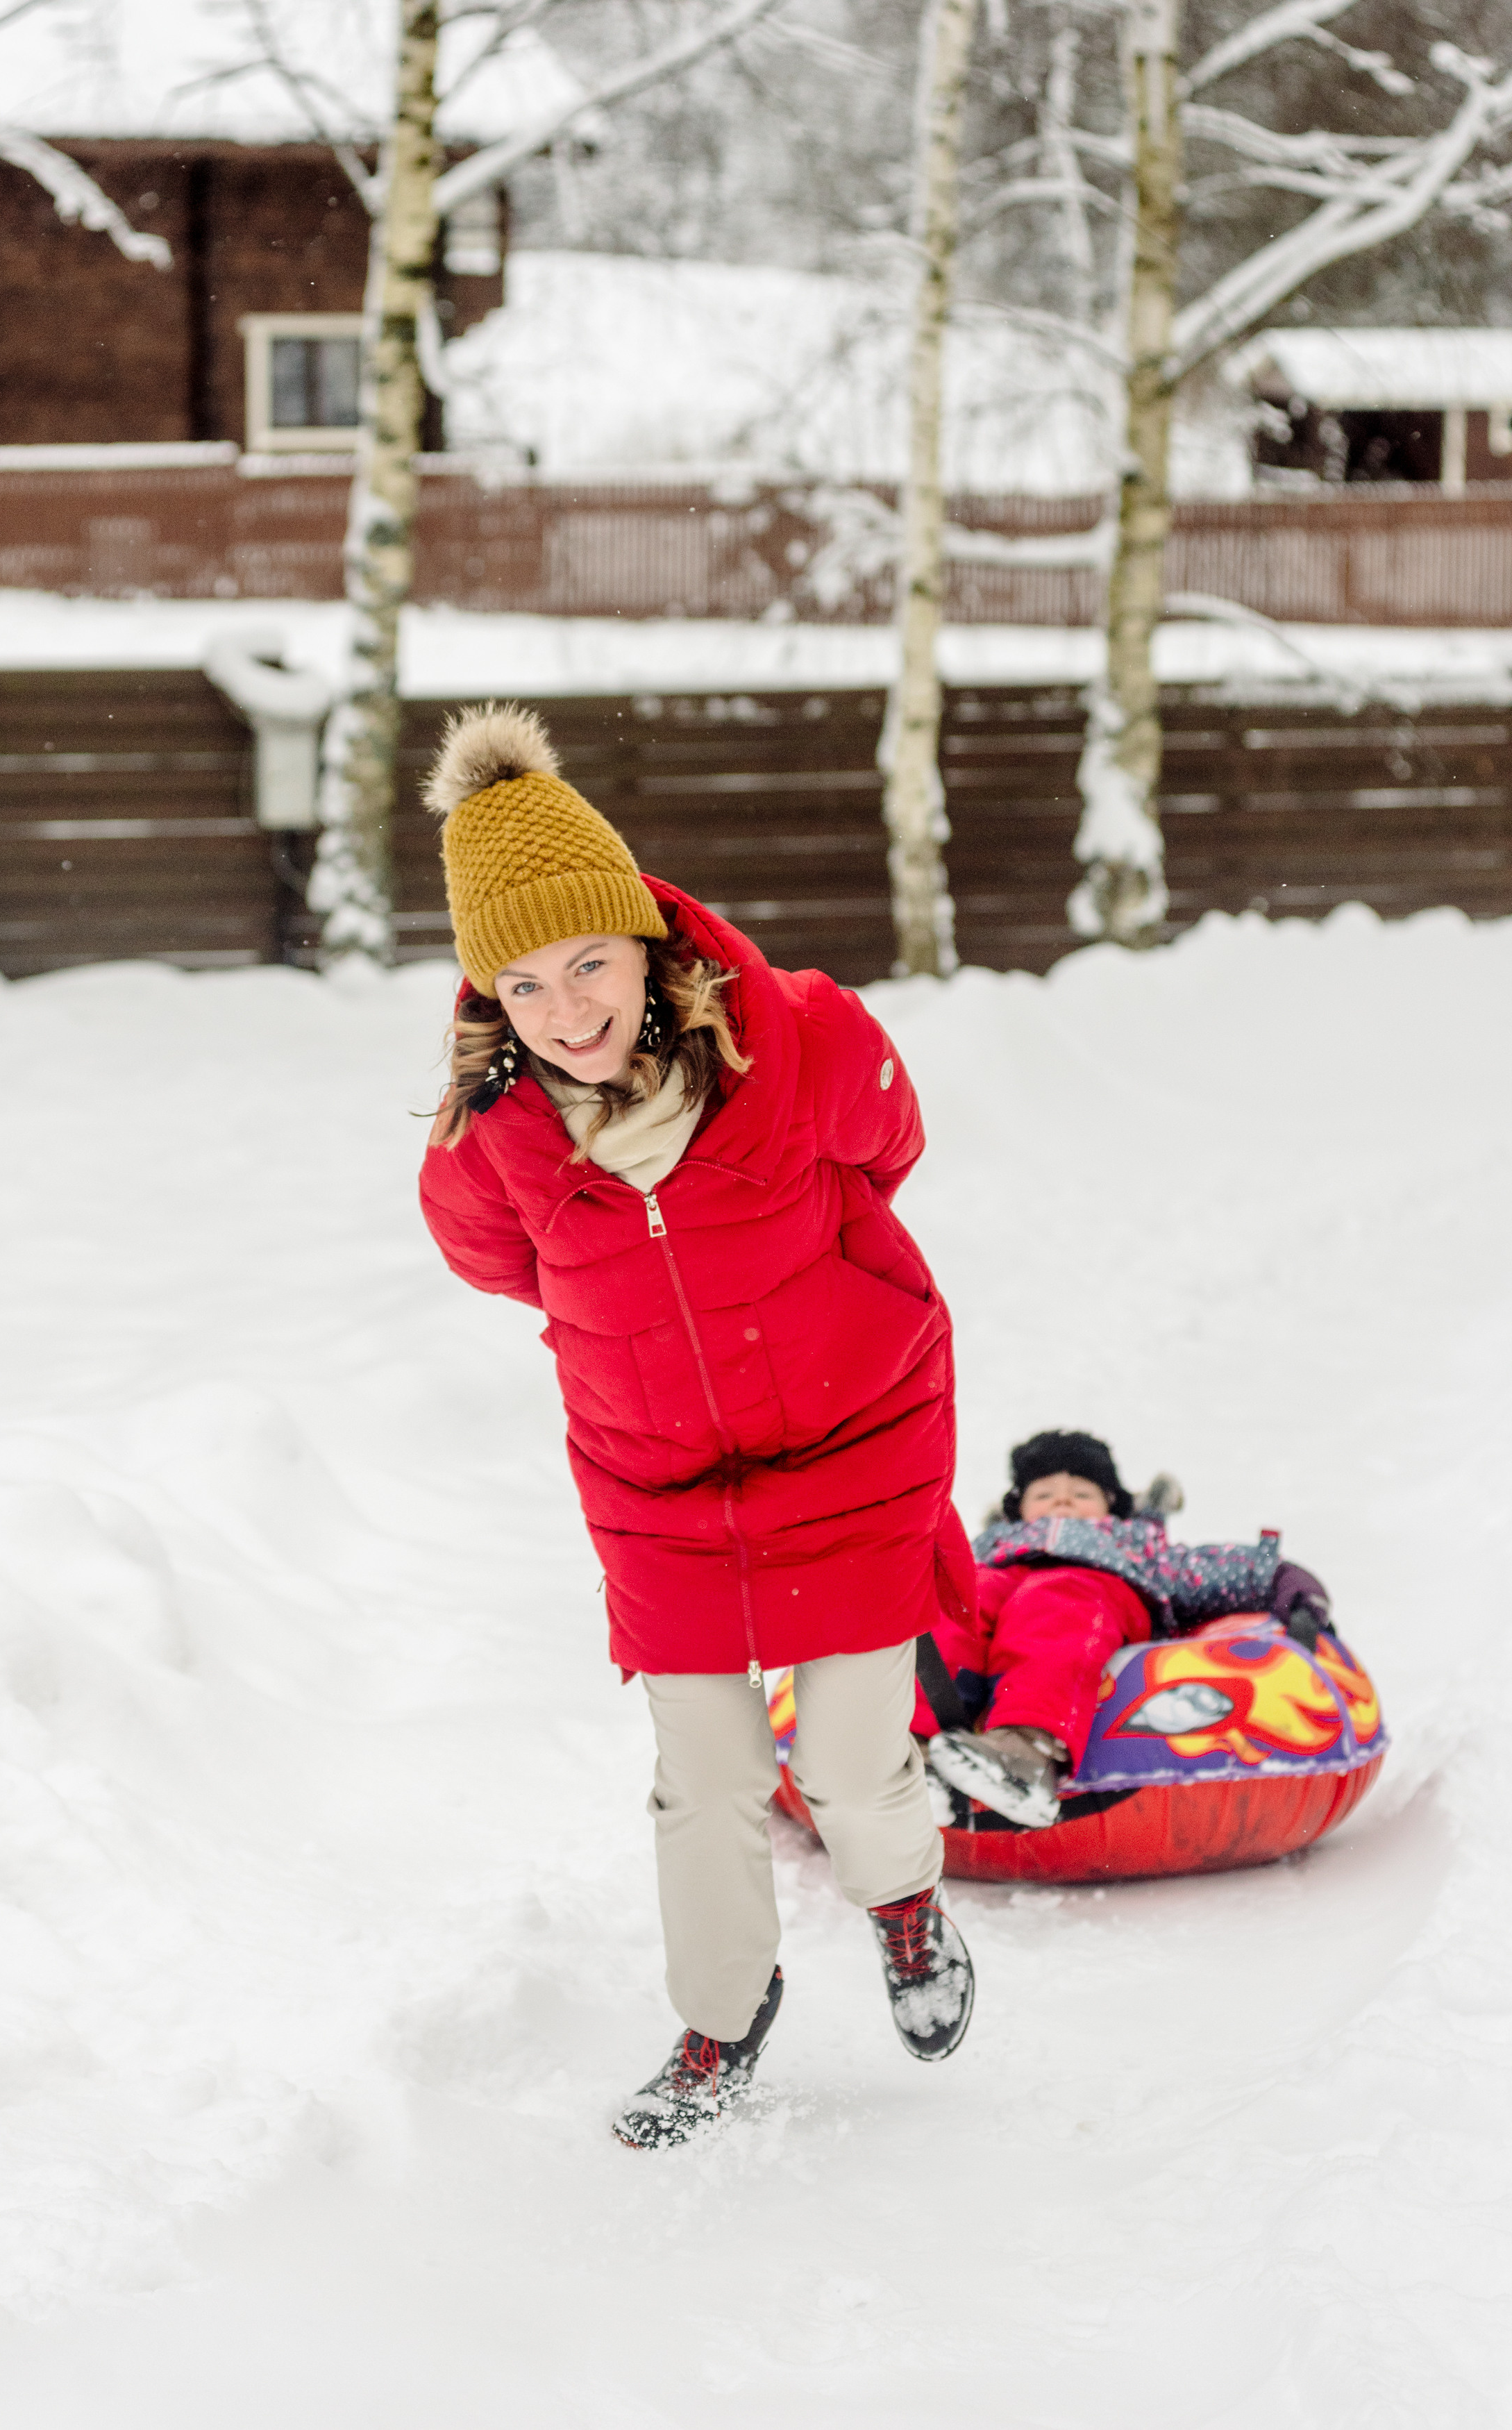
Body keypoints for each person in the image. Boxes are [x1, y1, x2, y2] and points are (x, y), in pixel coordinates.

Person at [417, 703, 977, 2151]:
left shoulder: (797, 1040)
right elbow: (496, 1262)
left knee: (846, 1759)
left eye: (588, 963)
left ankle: (905, 1908)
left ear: (644, 940)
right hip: (658, 1486)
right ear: (487, 995)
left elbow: (890, 1144)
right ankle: (723, 2020)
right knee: (706, 1778)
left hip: (853, 1439)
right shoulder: (491, 1147)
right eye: (523, 984)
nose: (567, 1010)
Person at [918, 1428, 1333, 1827]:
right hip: (1001, 1585)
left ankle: (1026, 1750)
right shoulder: (990, 1549)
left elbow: (1215, 1570)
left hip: (1090, 1596)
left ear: (1112, 1505)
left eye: (1082, 1494)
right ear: (1017, 1509)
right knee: (956, 1605)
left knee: (1056, 1599)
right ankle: (913, 1751)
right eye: (1043, 1494)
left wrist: (1286, 1582)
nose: (1062, 1501)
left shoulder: (1134, 1543)